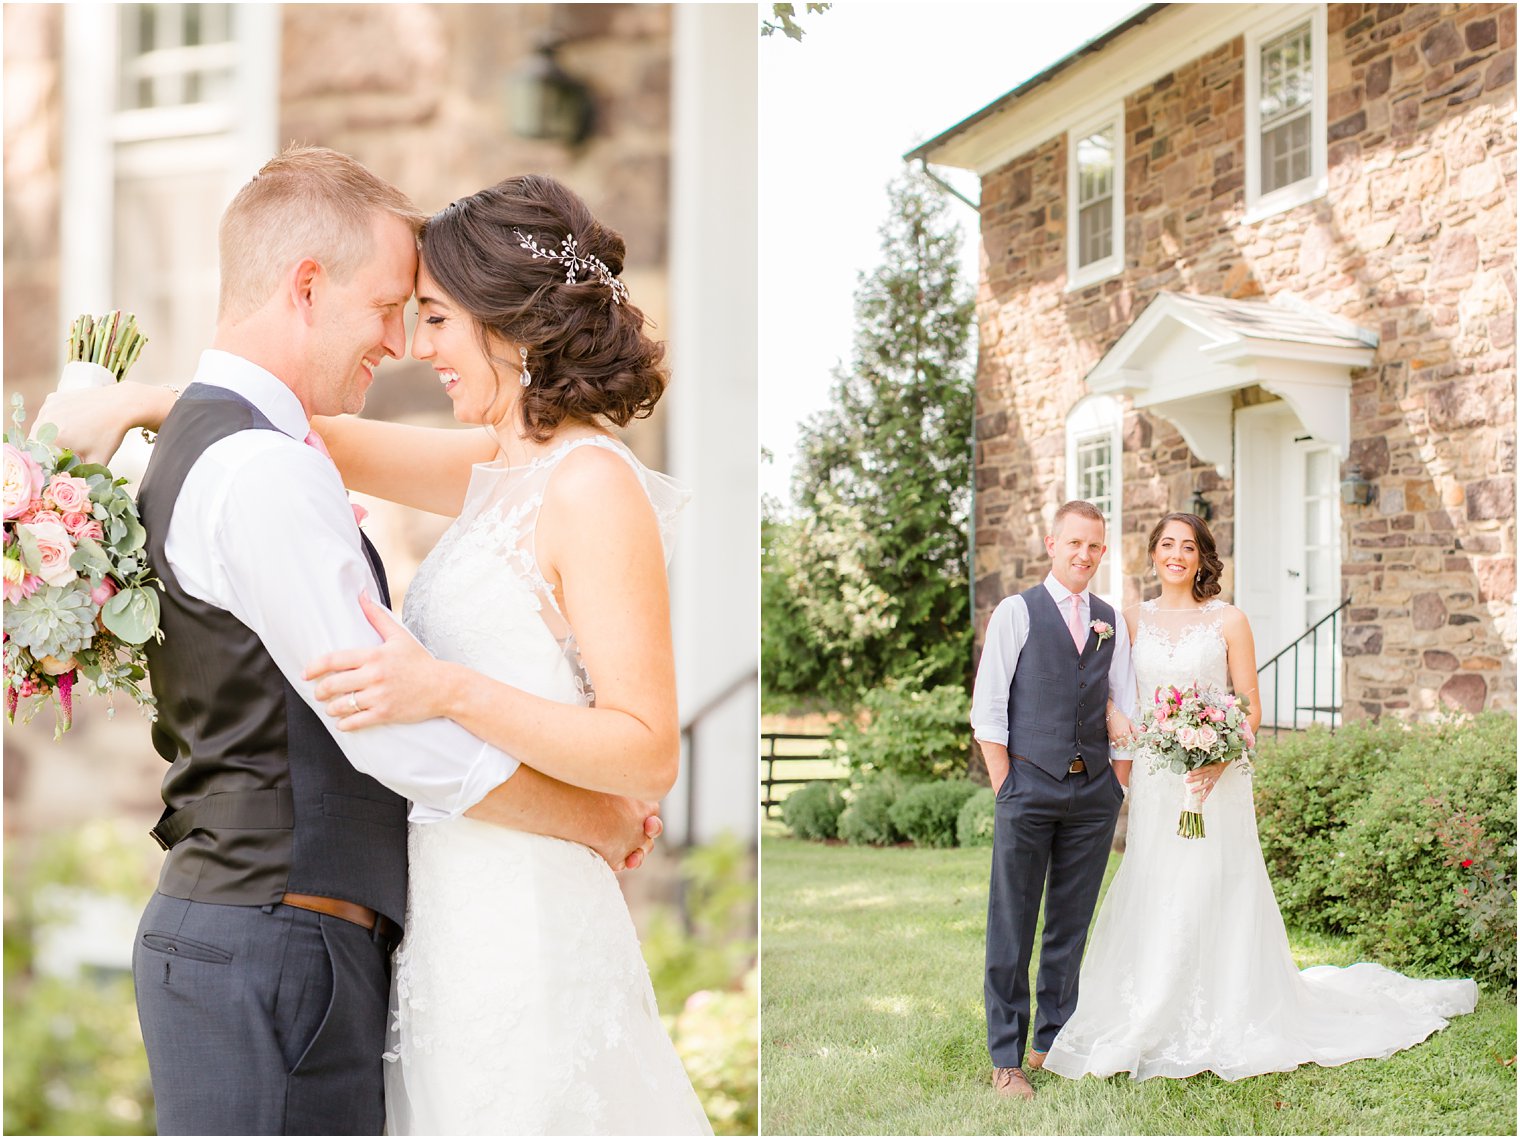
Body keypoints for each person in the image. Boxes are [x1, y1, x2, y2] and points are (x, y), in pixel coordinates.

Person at [37, 148, 663, 1136]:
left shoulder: (576, 479)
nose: (410, 344)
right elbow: (294, 431)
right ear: (308, 285)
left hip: (495, 915)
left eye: (434, 316)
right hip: (408, 921)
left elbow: (641, 744)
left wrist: (447, 689)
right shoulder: (478, 468)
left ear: (510, 326)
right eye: (394, 309)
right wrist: (140, 401)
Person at [1043, 511, 1479, 1082]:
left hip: (1215, 779)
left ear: (1202, 558)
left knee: (1216, 881)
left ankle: (1227, 1005)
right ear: (1152, 553)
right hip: (1158, 775)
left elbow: (1249, 704)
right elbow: (1100, 690)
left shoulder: (1229, 620)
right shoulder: (1127, 621)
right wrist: (1116, 715)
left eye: (1190, 547)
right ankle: (1152, 1002)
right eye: (1168, 544)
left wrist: (1220, 756)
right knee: (1159, 877)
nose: (1177, 554)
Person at [969, 499, 1136, 1101]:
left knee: (1070, 922)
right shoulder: (1017, 613)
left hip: (1093, 790)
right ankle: (1006, 1058)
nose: (1085, 556)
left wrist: (1117, 782)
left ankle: (1053, 1040)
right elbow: (988, 709)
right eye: (1075, 544)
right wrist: (1007, 784)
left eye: (1095, 547)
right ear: (1051, 543)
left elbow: (1126, 701)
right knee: (1011, 922)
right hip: (1028, 788)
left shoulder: (1109, 620)